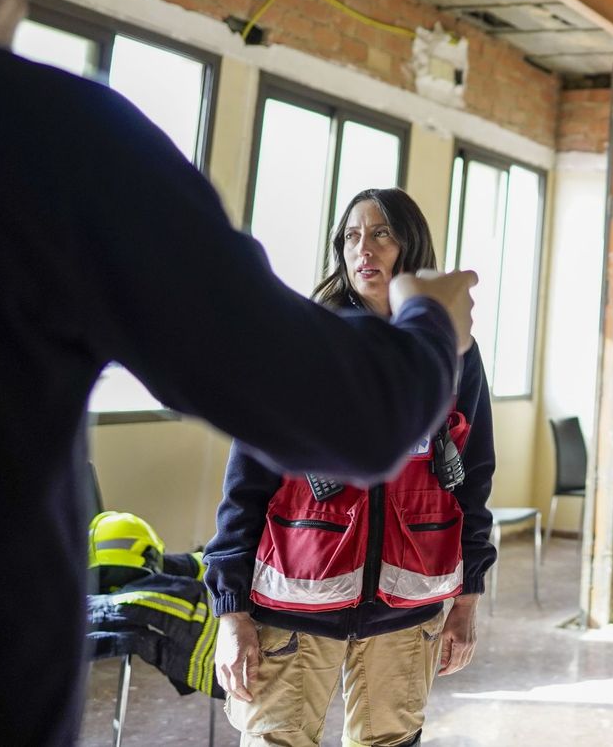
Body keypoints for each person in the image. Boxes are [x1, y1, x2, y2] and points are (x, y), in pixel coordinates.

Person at [0, 0, 478, 745]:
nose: (364, 246)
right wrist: (434, 320)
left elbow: (470, 477)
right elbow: (338, 417)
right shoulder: (46, 141)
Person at [206, 188, 496, 747]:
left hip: (407, 607)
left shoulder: (455, 353)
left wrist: (468, 600)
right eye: (351, 236)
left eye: (382, 233)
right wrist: (230, 613)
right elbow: (246, 484)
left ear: (411, 244)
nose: (364, 249)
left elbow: (473, 477)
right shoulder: (307, 341)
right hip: (294, 604)